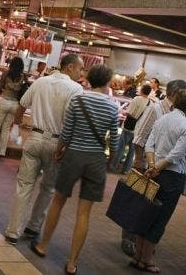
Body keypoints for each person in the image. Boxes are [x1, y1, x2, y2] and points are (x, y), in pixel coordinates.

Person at [29, 65, 119, 275]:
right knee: (84, 212)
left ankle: (43, 246)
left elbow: (66, 131)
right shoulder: (113, 107)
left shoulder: (78, 100)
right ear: (106, 82)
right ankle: (72, 263)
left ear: (89, 80)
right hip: (96, 160)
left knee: (58, 201)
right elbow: (114, 141)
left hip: (74, 156)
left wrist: (59, 151)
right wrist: (110, 162)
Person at [4, 54, 84, 245]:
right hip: (58, 143)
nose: (81, 74)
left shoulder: (41, 82)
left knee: (24, 186)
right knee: (48, 188)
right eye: (80, 69)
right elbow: (75, 120)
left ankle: (13, 232)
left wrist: (16, 126)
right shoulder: (76, 89)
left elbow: (22, 105)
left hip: (34, 138)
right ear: (70, 67)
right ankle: (33, 226)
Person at [130, 90, 186, 273]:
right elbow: (177, 153)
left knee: (144, 213)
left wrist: (152, 165)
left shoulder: (163, 119)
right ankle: (147, 260)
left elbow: (149, 144)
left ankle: (137, 257)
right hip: (172, 176)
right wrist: (159, 167)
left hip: (152, 172)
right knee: (160, 218)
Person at [122, 79, 186, 256]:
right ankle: (128, 239)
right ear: (174, 94)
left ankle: (142, 244)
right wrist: (139, 162)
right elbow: (140, 136)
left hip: (161, 169)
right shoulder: (156, 108)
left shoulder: (176, 114)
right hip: (146, 164)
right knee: (137, 203)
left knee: (151, 207)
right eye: (184, 94)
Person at [112, 84, 152, 174]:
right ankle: (126, 170)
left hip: (128, 128)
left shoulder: (137, 99)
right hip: (139, 130)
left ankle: (113, 166)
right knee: (132, 151)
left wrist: (122, 111)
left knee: (121, 147)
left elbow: (129, 112)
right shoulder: (150, 103)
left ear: (142, 90)